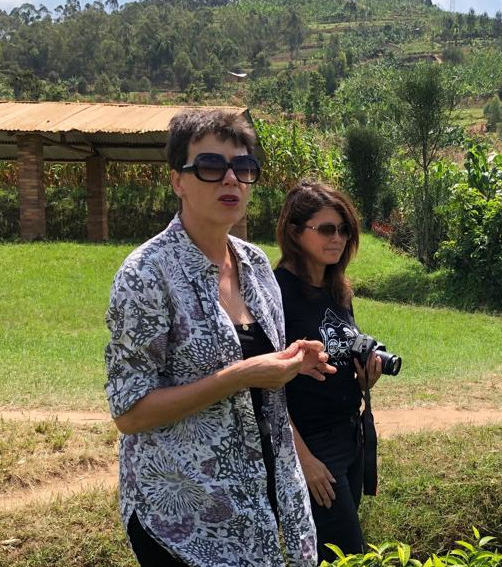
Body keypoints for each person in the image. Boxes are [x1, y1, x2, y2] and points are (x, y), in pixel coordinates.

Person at [104, 109, 335, 567]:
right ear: (178, 181)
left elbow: (258, 371)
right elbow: (129, 412)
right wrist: (240, 375)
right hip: (188, 521)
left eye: (243, 168)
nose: (230, 178)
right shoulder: (147, 274)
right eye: (211, 166)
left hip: (271, 510)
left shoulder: (255, 264)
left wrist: (291, 360)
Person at [273, 181, 383, 564]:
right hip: (312, 445)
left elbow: (338, 357)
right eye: (325, 229)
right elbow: (268, 391)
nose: (337, 238)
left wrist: (365, 377)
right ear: (294, 231)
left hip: (349, 437)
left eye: (344, 229)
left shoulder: (338, 288)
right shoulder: (277, 293)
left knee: (340, 554)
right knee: (346, 555)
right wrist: (302, 459)